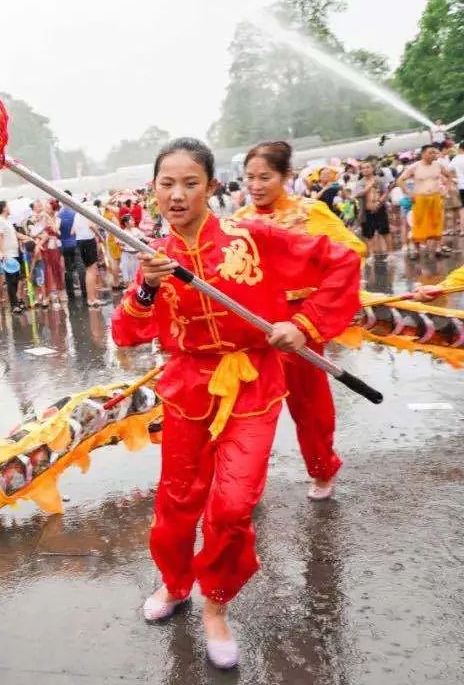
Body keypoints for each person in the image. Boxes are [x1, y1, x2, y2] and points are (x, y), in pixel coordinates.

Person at [112, 138, 360, 669]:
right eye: (166, 184)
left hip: (251, 385)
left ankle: (216, 604)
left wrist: (304, 324)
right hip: (186, 390)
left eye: (190, 183)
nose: (177, 195)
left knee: (232, 503)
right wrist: (148, 291)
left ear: (211, 186)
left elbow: (339, 260)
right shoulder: (157, 260)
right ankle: (176, 583)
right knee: (178, 498)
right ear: (153, 189)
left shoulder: (253, 236)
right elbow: (126, 333)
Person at [235, 141, 366, 501]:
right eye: (250, 178)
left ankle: (322, 470)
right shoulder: (239, 220)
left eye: (266, 177)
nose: (257, 185)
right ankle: (245, 483)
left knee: (310, 406)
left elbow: (352, 251)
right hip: (254, 326)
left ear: (285, 176)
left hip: (299, 326)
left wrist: (304, 263)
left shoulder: (310, 212)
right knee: (248, 410)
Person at [398, 144, 456, 255]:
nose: (433, 155)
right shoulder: (414, 167)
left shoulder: (438, 165)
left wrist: (446, 189)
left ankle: (438, 248)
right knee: (419, 223)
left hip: (435, 197)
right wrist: (409, 193)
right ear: (423, 154)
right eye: (431, 152)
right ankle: (416, 249)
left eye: (434, 152)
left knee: (437, 222)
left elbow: (449, 176)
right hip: (420, 198)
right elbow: (400, 180)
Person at [0, 201, 25, 313]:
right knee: (11, 280)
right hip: (8, 255)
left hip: (15, 253)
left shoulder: (7, 222)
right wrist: (2, 252)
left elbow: (15, 234)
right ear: (4, 208)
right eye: (8, 206)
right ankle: (14, 305)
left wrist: (28, 238)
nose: (10, 208)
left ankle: (16, 301)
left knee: (16, 279)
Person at [72, 201, 104, 307]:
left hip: (80, 241)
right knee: (91, 270)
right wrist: (100, 236)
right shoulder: (90, 210)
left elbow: (72, 231)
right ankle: (91, 299)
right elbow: (91, 225)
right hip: (88, 240)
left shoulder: (77, 213)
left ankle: (91, 297)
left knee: (89, 270)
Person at [357, 160, 391, 255]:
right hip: (366, 211)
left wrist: (380, 201)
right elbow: (359, 194)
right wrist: (370, 186)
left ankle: (390, 253)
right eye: (363, 168)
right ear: (361, 171)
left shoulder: (379, 180)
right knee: (368, 235)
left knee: (385, 232)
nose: (366, 169)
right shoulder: (360, 183)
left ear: (372, 169)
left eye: (368, 167)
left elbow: (386, 193)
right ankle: (371, 254)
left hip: (380, 209)